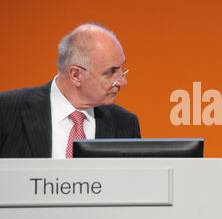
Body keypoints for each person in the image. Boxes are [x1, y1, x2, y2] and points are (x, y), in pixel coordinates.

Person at [0, 23, 141, 158]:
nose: (123, 81)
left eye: (121, 69)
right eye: (111, 72)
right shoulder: (6, 110)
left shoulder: (125, 124)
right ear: (76, 75)